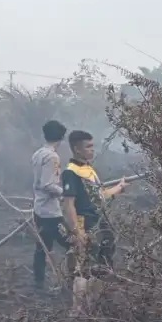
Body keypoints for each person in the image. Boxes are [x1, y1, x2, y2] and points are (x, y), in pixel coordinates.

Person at [61, 130, 127, 312]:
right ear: (77, 149)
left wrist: (118, 189)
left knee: (102, 264)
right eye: (88, 147)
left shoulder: (88, 169)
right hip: (86, 223)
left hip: (100, 222)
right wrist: (78, 232)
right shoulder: (71, 173)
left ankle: (94, 307)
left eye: (92, 146)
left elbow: (99, 196)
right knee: (84, 267)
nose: (92, 150)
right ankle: (78, 311)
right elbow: (69, 204)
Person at [31, 120, 69, 289]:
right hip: (50, 212)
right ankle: (73, 279)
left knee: (42, 246)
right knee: (72, 243)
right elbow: (47, 184)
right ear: (60, 138)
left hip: (39, 208)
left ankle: (38, 282)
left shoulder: (38, 153)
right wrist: (65, 193)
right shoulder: (52, 156)